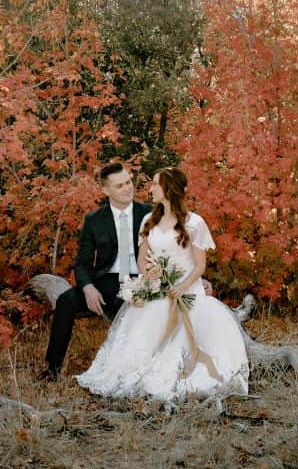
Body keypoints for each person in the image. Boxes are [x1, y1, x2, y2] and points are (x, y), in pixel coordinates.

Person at [75, 167, 249, 402]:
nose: (151, 189)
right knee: (140, 340)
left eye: (156, 184)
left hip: (187, 291)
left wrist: (183, 286)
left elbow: (199, 265)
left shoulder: (195, 223)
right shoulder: (149, 221)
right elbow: (142, 259)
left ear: (169, 189)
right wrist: (150, 278)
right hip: (158, 289)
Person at [41, 162, 152, 380]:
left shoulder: (149, 214)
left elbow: (172, 248)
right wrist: (88, 287)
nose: (127, 188)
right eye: (119, 186)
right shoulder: (94, 220)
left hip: (140, 280)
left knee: (131, 310)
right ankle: (52, 370)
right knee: (65, 301)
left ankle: (129, 372)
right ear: (105, 190)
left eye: (128, 182)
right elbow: (82, 263)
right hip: (105, 282)